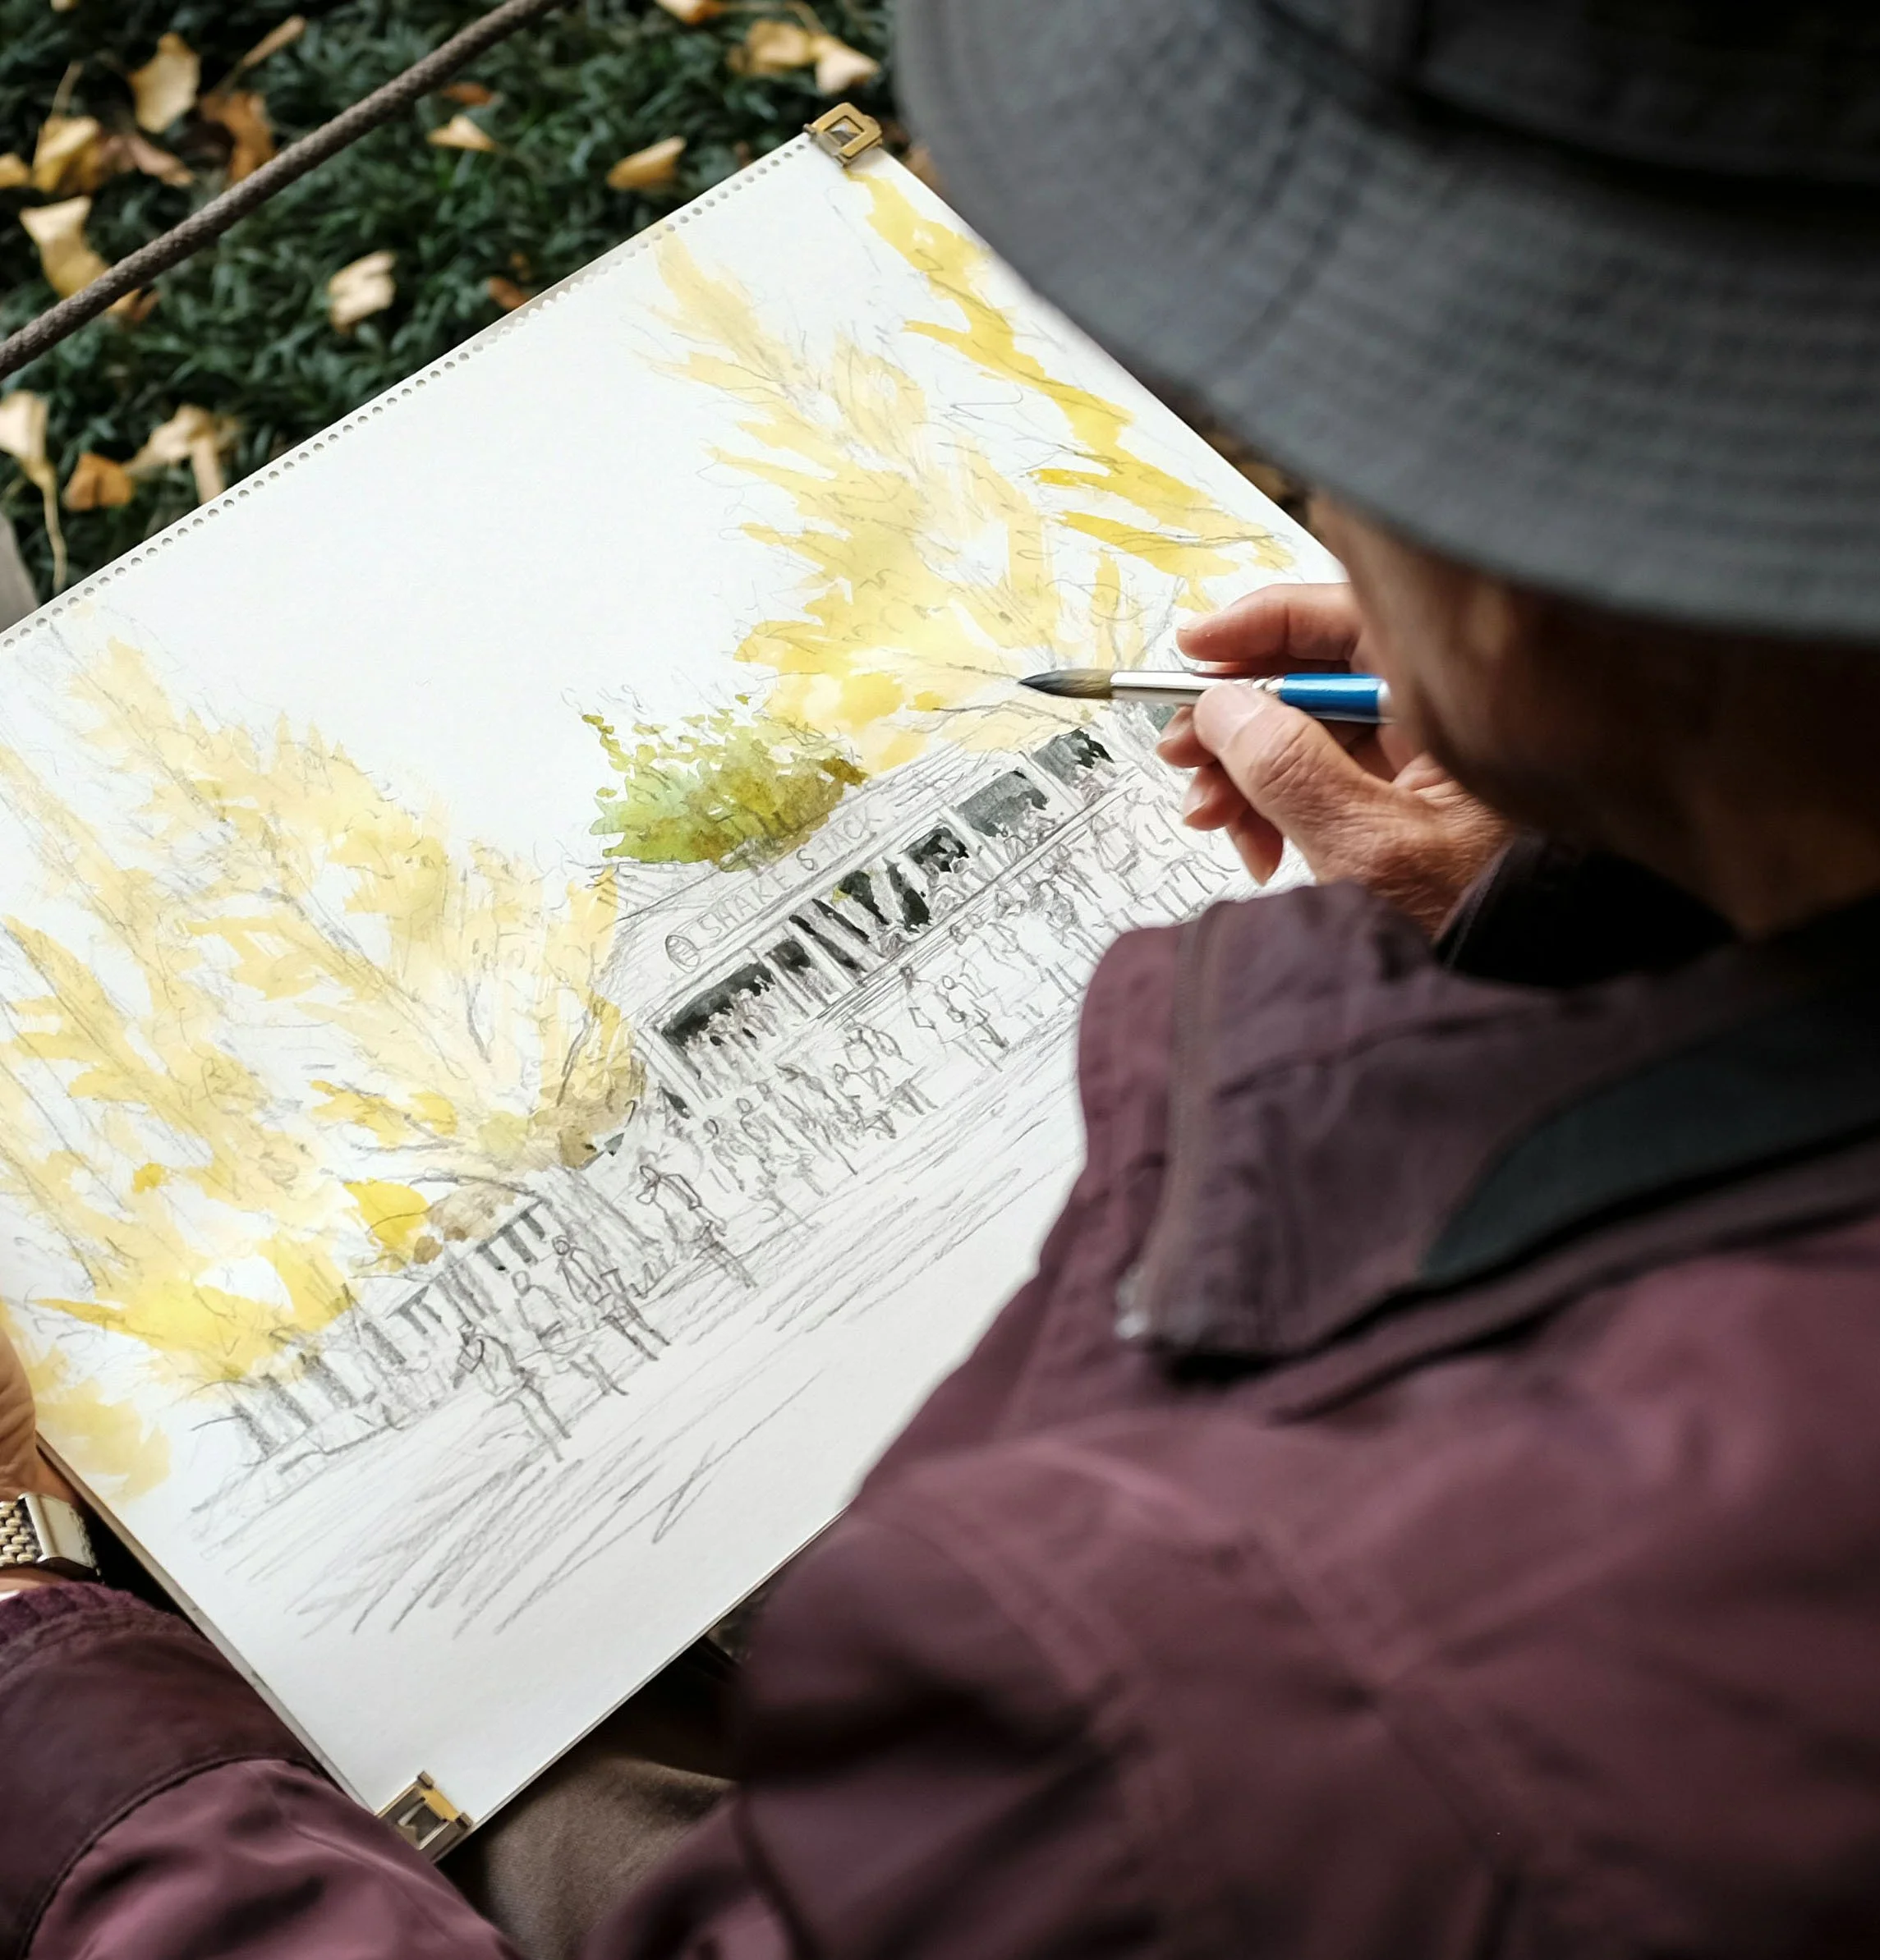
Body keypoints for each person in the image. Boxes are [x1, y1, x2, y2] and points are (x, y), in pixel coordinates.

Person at [7, 4, 1880, 1957]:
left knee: (460, 1741)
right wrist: (1583, 878)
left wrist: (34, 1639)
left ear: (1524, 584)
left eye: (1337, 447)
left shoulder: (1233, 1661)